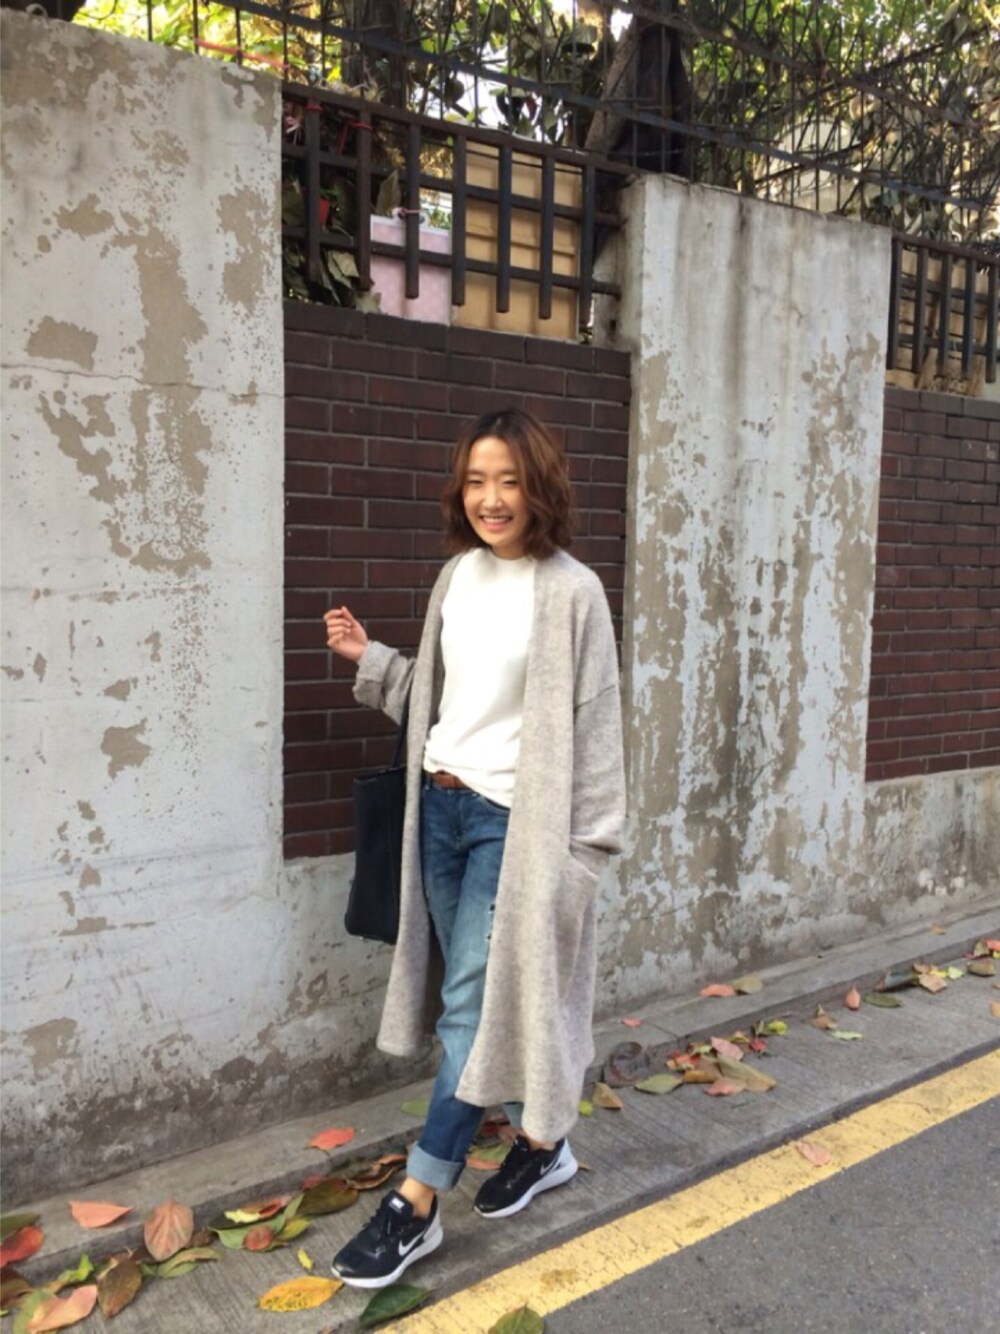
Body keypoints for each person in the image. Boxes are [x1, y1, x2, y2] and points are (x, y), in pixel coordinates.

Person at [323, 407, 625, 1289]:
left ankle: (417, 1202)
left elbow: (596, 731)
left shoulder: (572, 592)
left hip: (512, 828)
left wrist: (583, 859)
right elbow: (442, 701)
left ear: (540, 488)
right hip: (440, 812)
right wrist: (372, 659)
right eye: (477, 481)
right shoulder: (455, 576)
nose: (491, 499)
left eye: (510, 481)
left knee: (468, 1007)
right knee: (483, 997)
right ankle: (543, 1141)